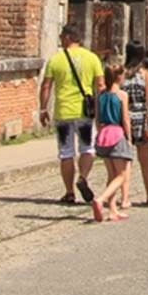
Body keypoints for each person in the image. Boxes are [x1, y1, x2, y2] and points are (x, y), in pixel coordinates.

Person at [39, 24, 105, 205]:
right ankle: (82, 177)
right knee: (87, 149)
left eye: (62, 36)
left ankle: (69, 192)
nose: (60, 39)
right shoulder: (92, 58)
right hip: (85, 112)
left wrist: (43, 109)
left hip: (63, 113)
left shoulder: (55, 59)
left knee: (66, 153)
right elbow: (100, 86)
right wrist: (101, 112)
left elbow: (46, 86)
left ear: (68, 37)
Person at [90, 61, 134, 223]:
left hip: (103, 134)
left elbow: (97, 118)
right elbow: (125, 118)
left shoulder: (100, 95)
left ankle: (113, 210)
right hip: (117, 133)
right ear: (118, 77)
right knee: (122, 175)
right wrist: (129, 138)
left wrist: (99, 133)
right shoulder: (122, 95)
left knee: (111, 175)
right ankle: (101, 199)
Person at [122, 41, 148, 206]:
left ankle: (125, 197)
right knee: (145, 161)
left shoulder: (121, 75)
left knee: (126, 161)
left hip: (124, 119)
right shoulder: (146, 75)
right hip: (142, 120)